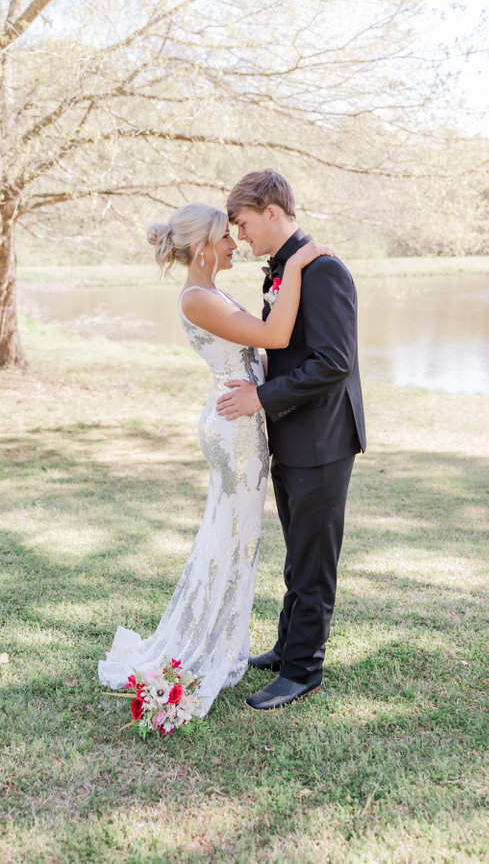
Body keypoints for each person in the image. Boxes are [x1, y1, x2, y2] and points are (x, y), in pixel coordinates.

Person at [98, 202, 332, 717]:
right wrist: (296, 265)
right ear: (202, 245)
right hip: (234, 431)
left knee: (233, 538)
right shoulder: (199, 298)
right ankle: (207, 645)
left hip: (240, 421)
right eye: (226, 236)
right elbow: (274, 336)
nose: (234, 244)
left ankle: (222, 639)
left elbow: (259, 352)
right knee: (232, 541)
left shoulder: (211, 292)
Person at [216, 169, 366, 711]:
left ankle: (304, 670)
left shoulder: (323, 271)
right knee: (299, 552)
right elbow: (289, 348)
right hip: (293, 435)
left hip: (322, 439)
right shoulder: (284, 270)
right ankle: (287, 648)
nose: (240, 236)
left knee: (315, 558)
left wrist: (262, 396)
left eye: (243, 223)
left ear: (272, 212)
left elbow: (333, 362)